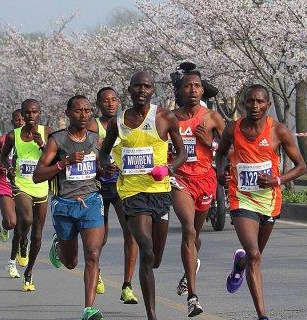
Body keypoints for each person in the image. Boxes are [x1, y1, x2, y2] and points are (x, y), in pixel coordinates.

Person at [99, 71, 187, 320]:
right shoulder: (118, 121)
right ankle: (152, 314)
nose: (141, 90)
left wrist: (168, 168)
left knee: (155, 258)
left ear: (152, 90)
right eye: (137, 86)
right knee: (146, 251)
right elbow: (104, 154)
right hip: (131, 193)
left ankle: (149, 268)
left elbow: (181, 153)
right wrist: (106, 164)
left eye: (146, 86)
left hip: (160, 193)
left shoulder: (164, 117)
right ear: (129, 90)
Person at [215, 84, 306, 320]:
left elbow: (302, 166)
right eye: (250, 101)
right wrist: (222, 171)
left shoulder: (278, 131)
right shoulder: (232, 129)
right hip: (241, 197)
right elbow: (221, 154)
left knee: (254, 255)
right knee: (255, 255)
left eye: (260, 101)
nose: (255, 106)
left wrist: (277, 179)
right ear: (244, 103)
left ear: (267, 104)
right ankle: (262, 315)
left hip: (269, 201)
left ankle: (240, 264)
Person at [34, 95, 105, 320]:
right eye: (78, 111)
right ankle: (59, 243)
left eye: (87, 110)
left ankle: (88, 308)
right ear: (67, 113)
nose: (83, 115)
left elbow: (102, 166)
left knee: (93, 254)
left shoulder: (96, 139)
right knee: (71, 262)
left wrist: (108, 170)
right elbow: (37, 176)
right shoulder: (57, 140)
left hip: (92, 202)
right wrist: (63, 163)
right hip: (64, 204)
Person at [170, 70, 226, 316]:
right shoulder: (169, 118)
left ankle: (190, 268)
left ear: (202, 90)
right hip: (180, 179)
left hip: (205, 180)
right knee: (189, 229)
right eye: (187, 86)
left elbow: (229, 150)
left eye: (196, 86)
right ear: (180, 91)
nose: (192, 90)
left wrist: (209, 144)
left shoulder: (212, 117)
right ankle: (193, 296)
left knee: (196, 234)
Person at [88, 86, 139, 303]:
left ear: (119, 102)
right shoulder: (93, 125)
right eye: (105, 100)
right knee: (101, 237)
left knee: (131, 233)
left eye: (114, 99)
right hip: (98, 186)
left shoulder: (127, 122)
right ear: (98, 104)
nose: (110, 103)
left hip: (123, 185)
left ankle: (127, 285)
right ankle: (96, 272)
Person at [1, 99, 52, 291]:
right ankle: (22, 239)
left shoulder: (46, 132)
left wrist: (42, 146)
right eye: (27, 113)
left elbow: (55, 157)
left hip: (41, 187)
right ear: (22, 115)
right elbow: (4, 156)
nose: (31, 116)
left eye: (34, 112)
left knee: (37, 236)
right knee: (27, 220)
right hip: (21, 185)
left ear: (39, 113)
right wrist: (9, 169)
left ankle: (29, 272)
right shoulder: (13, 136)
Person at [0, 109, 24, 279]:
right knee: (11, 222)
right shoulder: (4, 139)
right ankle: (4, 226)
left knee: (21, 227)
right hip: (6, 184)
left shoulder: (33, 139)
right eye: (17, 120)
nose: (21, 122)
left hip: (26, 186)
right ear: (12, 122)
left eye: (23, 119)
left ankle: (11, 263)